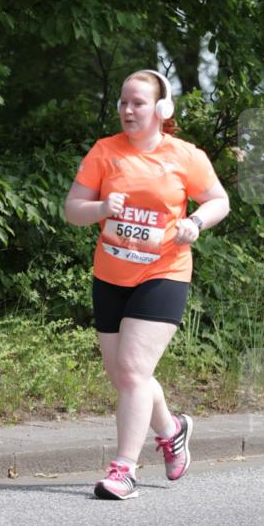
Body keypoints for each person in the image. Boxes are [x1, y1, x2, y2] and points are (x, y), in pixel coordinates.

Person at [64, 69, 230, 500]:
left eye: (137, 103)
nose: (127, 110)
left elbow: (219, 200)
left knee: (134, 371)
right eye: (123, 102)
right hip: (110, 276)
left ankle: (124, 470)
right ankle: (172, 430)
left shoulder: (185, 155)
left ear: (161, 109)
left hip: (163, 273)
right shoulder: (105, 152)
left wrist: (195, 222)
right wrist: (101, 206)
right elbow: (72, 210)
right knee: (125, 377)